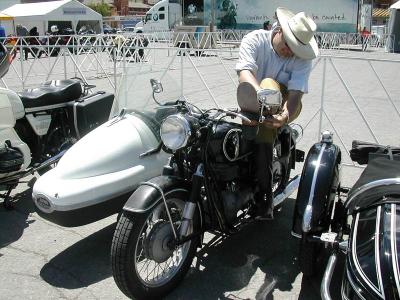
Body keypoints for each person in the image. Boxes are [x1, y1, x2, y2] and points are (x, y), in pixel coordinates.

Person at [235, 7, 318, 220]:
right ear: (279, 30)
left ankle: (265, 197)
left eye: (296, 49)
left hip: (288, 104)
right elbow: (244, 72)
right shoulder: (255, 40)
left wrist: (286, 115)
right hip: (253, 100)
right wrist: (261, 97)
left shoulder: (302, 58)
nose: (290, 52)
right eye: (289, 45)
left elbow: (297, 91)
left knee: (269, 84)